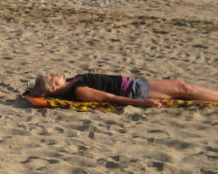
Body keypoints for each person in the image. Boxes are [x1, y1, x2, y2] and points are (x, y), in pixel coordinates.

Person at [30, 73, 218, 108]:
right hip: (134, 91)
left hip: (134, 83)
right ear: (54, 89)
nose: (53, 73)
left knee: (178, 85)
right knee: (183, 88)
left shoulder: (72, 81)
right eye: (50, 77)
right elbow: (110, 98)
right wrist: (142, 103)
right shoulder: (80, 91)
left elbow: (32, 91)